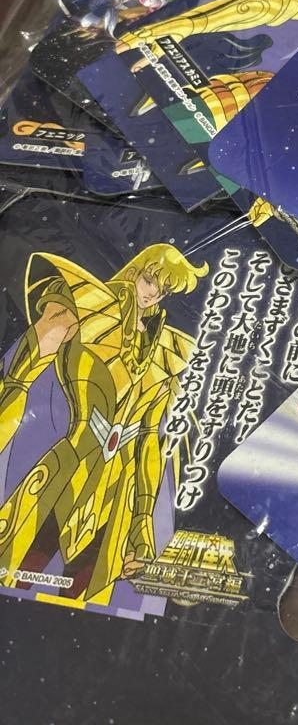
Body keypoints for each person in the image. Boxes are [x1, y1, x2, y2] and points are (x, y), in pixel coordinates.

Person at [0, 245, 208, 606]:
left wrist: (141, 519)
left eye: (163, 290)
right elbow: (19, 379)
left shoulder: (168, 353)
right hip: (67, 470)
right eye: (150, 280)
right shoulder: (85, 306)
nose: (153, 294)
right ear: (135, 271)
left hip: (116, 493)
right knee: (15, 568)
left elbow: (149, 440)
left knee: (82, 597)